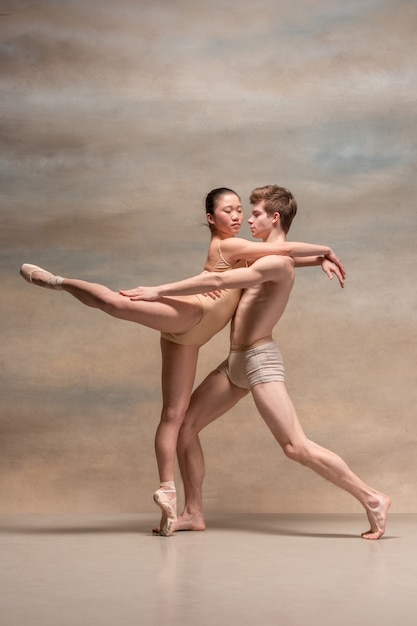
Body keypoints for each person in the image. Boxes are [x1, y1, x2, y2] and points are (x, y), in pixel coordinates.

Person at [20, 188, 345, 536]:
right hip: (191, 317)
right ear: (211, 219)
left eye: (241, 211)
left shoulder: (246, 251)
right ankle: (57, 281)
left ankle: (179, 502)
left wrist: (316, 261)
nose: (238, 217)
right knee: (119, 307)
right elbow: (283, 249)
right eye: (228, 211)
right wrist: (325, 250)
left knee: (175, 418)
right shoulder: (228, 245)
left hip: (192, 333)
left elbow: (280, 260)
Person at [124, 185, 390, 539]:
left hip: (259, 361)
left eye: (256, 214)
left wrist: (158, 291)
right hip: (237, 361)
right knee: (185, 428)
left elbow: (220, 277)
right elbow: (287, 257)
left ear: (274, 218)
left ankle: (372, 497)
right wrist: (318, 258)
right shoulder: (265, 256)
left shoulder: (274, 261)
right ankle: (193, 512)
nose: (246, 219)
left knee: (295, 446)